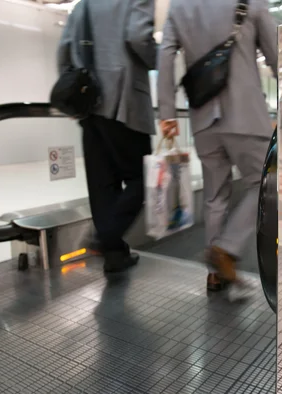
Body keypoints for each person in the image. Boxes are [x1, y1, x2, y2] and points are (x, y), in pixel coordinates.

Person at [157, 0, 277, 292]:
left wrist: (167, 113)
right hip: (245, 115)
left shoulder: (179, 7)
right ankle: (226, 249)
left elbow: (165, 55)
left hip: (202, 119)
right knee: (266, 184)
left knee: (215, 196)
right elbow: (278, 55)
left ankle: (215, 273)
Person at [57, 0, 157, 273]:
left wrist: (73, 95)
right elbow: (138, 38)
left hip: (88, 105)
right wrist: (156, 56)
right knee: (142, 177)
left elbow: (64, 52)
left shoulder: (82, 6)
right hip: (124, 101)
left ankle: (115, 255)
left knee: (103, 185)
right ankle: (106, 237)